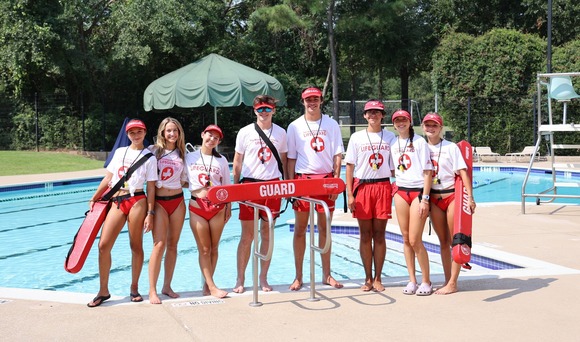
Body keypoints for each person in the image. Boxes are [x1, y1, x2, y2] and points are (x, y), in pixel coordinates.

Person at [87, 119, 158, 307]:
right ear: (127, 135)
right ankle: (103, 290)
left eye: (139, 132)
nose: (136, 135)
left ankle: (134, 287)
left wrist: (150, 213)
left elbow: (151, 187)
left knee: (135, 245)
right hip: (116, 200)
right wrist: (95, 196)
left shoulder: (149, 157)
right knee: (103, 245)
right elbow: (109, 177)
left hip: (137, 201)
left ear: (144, 132)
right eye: (132, 132)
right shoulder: (119, 152)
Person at [286, 86, 344, 291]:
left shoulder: (331, 124)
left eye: (315, 99)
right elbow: (291, 158)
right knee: (300, 230)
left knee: (324, 229)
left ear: (321, 100)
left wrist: (337, 182)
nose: (312, 103)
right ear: (303, 102)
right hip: (303, 181)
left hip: (326, 180)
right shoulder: (294, 126)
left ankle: (327, 274)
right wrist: (290, 185)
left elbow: (338, 154)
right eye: (308, 99)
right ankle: (298, 276)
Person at [232, 95, 288, 294]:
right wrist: (236, 187)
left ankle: (263, 277)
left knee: (267, 234)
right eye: (260, 109)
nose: (264, 112)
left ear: (274, 110)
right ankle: (240, 278)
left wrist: (288, 188)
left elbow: (284, 161)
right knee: (247, 235)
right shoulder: (245, 132)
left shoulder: (281, 133)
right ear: (254, 111)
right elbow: (237, 161)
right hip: (249, 186)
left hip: (273, 187)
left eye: (267, 109)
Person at [421, 112, 476, 295]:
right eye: (427, 125)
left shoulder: (451, 147)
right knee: (443, 242)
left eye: (434, 125)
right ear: (423, 127)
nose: (431, 128)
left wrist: (470, 197)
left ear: (440, 127)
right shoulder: (421, 147)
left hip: (451, 196)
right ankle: (447, 280)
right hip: (434, 199)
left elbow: (463, 172)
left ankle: (453, 282)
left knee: (455, 241)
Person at [345, 100, 395, 292]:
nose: (373, 115)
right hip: (363, 187)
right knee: (365, 235)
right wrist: (350, 194)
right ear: (364, 116)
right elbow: (349, 167)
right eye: (370, 112)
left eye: (377, 112)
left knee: (380, 234)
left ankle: (378, 277)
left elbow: (396, 165)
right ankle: (367, 277)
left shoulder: (390, 137)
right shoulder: (357, 138)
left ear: (383, 115)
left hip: (383, 186)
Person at [389, 109, 434, 296]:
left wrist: (425, 198)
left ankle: (427, 281)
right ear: (394, 124)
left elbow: (427, 171)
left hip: (417, 193)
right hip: (400, 191)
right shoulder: (393, 143)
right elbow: (393, 169)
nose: (401, 123)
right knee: (406, 239)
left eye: (404, 120)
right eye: (397, 121)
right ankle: (412, 280)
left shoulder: (419, 142)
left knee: (416, 239)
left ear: (409, 122)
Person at [184, 124, 232, 298]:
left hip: (218, 208)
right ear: (202, 135)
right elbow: (181, 178)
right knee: (204, 249)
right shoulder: (189, 157)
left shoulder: (222, 161)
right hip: (198, 207)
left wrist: (228, 207)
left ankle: (207, 285)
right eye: (209, 135)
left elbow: (226, 186)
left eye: (216, 138)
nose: (212, 139)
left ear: (219, 141)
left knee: (214, 247)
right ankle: (212, 286)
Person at [147, 117, 187, 304]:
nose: (172, 134)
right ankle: (152, 290)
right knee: (159, 244)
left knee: (173, 245)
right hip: (160, 203)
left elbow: (186, 179)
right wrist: (149, 210)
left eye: (175, 131)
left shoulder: (183, 152)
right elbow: (146, 179)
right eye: (168, 130)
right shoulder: (154, 151)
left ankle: (167, 286)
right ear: (162, 132)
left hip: (178, 201)